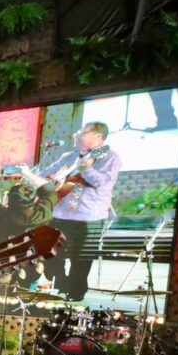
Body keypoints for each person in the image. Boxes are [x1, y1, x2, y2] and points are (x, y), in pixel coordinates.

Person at [40, 121, 122, 301]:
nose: (77, 135)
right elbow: (44, 174)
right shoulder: (69, 156)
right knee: (49, 254)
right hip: (60, 214)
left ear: (98, 137)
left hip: (89, 216)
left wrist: (87, 169)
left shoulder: (110, 157)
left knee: (80, 259)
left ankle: (75, 294)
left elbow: (102, 182)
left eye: (82, 132)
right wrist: (51, 177)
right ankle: (59, 286)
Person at [0, 166, 57, 290]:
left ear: (9, 199)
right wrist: (27, 173)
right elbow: (49, 190)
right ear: (34, 199)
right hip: (29, 264)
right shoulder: (42, 215)